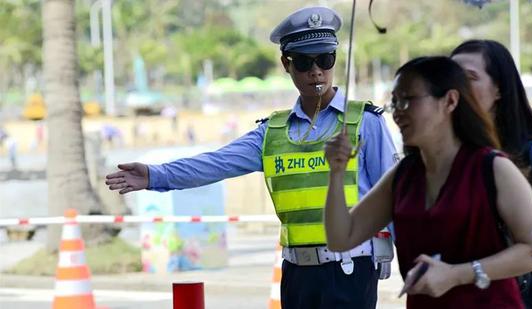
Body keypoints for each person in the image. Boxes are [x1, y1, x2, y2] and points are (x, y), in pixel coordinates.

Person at [105, 6, 397, 309]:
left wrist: (417, 264)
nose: (316, 71)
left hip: (350, 271)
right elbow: (216, 163)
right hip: (297, 275)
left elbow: (396, 193)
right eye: (304, 62)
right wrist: (154, 175)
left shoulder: (364, 123)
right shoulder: (271, 133)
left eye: (325, 59)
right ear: (286, 64)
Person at [324, 56, 532, 308]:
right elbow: (341, 238)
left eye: (408, 100)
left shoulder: (492, 167)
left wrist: (457, 274)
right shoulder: (403, 175)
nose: (397, 111)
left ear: (450, 101)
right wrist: (336, 173)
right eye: (394, 102)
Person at [451, 39, 532, 309]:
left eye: (470, 77)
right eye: (452, 75)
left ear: (499, 90)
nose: (457, 86)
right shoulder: (445, 158)